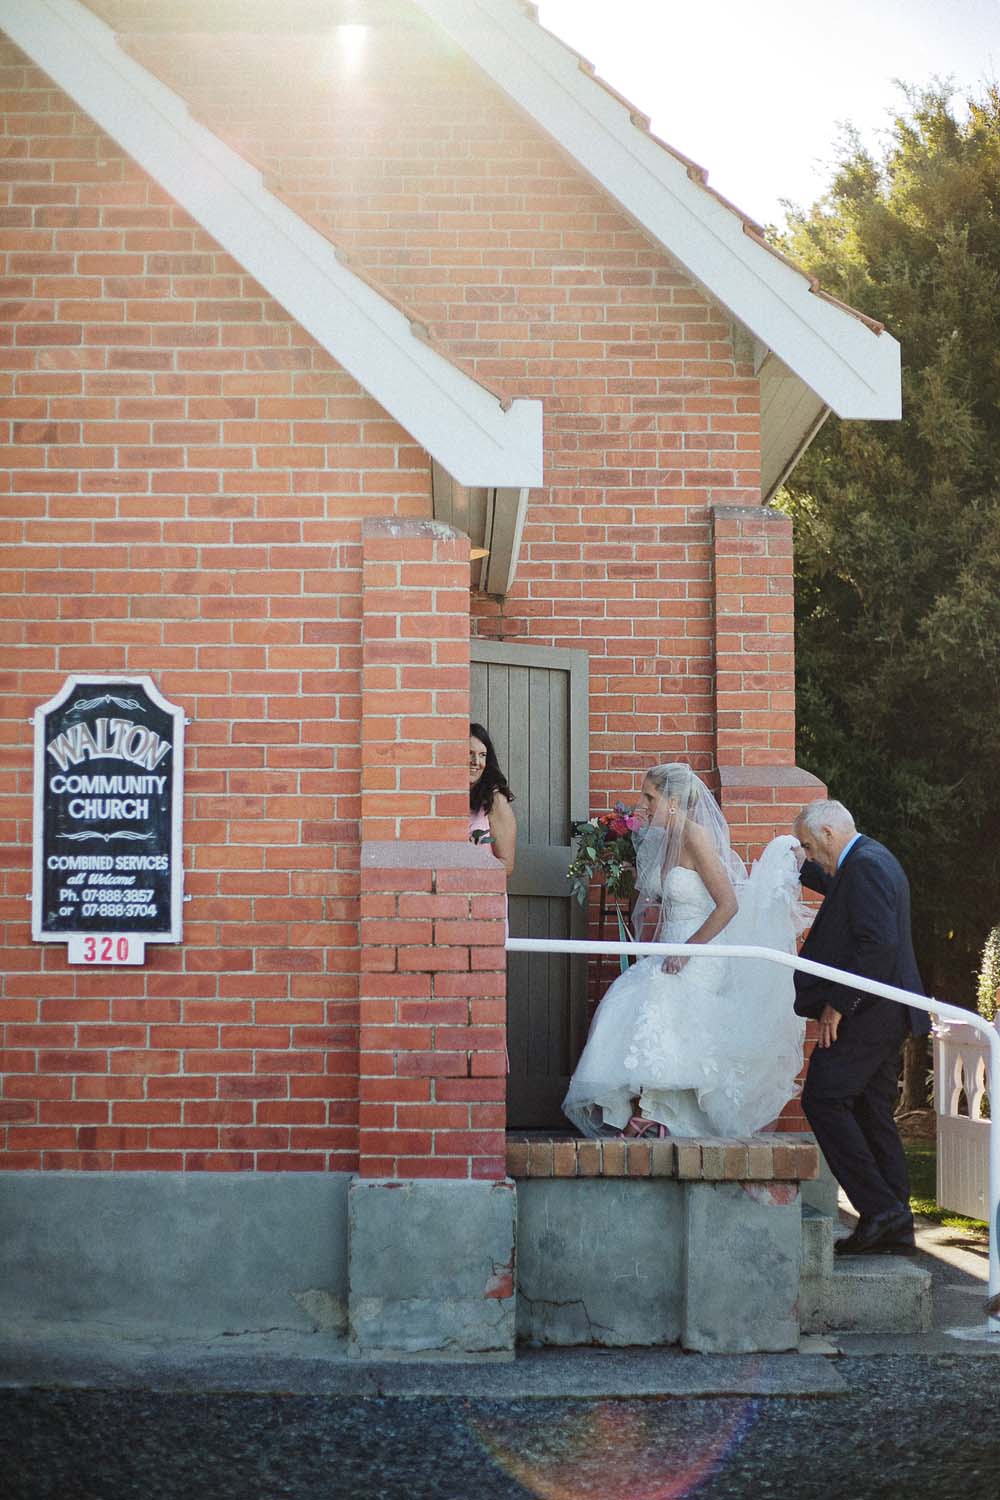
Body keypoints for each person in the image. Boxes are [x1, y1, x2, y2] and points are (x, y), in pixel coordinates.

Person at [563, 763, 807, 1139]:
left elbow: (728, 904)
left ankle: (654, 1112)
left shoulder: (696, 837)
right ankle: (655, 1113)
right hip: (671, 947)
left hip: (701, 950)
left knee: (657, 999)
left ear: (673, 802)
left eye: (650, 798)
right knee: (625, 997)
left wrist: (688, 951)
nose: (641, 805)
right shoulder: (660, 839)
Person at [792, 800, 930, 1256]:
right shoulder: (868, 858)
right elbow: (838, 888)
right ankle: (898, 1223)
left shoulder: (866, 867)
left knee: (823, 1098)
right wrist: (793, 868)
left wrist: (837, 1005)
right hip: (884, 1010)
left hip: (869, 1013)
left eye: (811, 847)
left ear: (830, 833)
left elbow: (878, 944)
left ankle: (879, 1209)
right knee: (872, 1112)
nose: (812, 856)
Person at [468, 723, 516, 878]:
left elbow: (506, 866)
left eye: (482, 755)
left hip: (484, 896)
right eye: (470, 753)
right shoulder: (445, 799)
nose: (476, 761)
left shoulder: (495, 801)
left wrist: (469, 870)